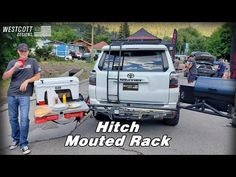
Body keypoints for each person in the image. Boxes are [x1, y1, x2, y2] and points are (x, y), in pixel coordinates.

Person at [2, 43, 41, 155]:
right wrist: (15, 67)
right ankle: (16, 139)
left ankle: (23, 143)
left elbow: (38, 76)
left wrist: (27, 81)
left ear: (28, 51)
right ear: (18, 51)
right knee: (13, 118)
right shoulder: (12, 62)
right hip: (12, 94)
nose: (24, 53)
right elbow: (4, 77)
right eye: (21, 51)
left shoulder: (32, 61)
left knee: (24, 119)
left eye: (25, 51)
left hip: (24, 95)